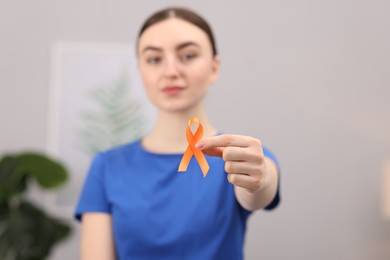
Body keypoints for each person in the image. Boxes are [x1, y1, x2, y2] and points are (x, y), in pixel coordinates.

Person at [75, 6, 280, 260]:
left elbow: (259, 187)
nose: (171, 71)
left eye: (188, 55)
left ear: (214, 68)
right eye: (154, 59)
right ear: (140, 71)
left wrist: (260, 179)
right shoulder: (107, 167)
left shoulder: (241, 157)